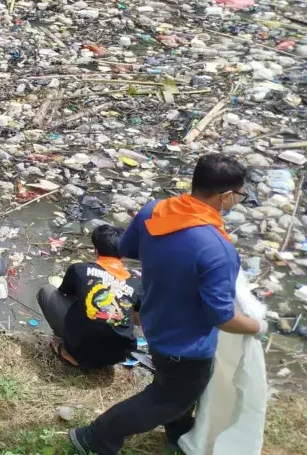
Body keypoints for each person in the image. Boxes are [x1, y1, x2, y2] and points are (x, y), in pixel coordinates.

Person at [69, 155, 264, 455]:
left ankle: (178, 435)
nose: (237, 201)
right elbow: (221, 317)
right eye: (239, 195)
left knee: (174, 390)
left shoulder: (155, 210)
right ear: (226, 196)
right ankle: (95, 437)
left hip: (154, 318)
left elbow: (127, 248)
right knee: (168, 399)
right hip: (187, 344)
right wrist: (257, 325)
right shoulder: (217, 248)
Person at [36, 224, 141, 369]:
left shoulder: (79, 270)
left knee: (46, 292)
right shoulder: (137, 284)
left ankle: (68, 352)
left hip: (79, 347)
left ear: (95, 250)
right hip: (118, 355)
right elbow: (138, 321)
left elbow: (65, 295)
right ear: (123, 254)